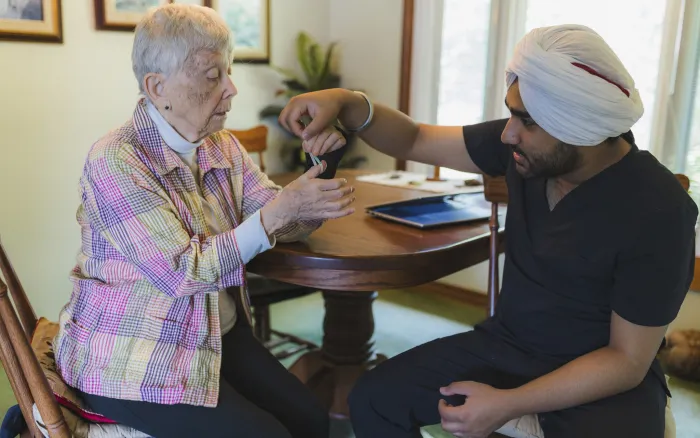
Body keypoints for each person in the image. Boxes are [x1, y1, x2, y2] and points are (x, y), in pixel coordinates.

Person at [279, 24, 698, 438]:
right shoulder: (526, 150)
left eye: (526, 120)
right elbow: (414, 138)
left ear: (578, 126)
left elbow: (626, 360)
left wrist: (509, 404)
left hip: (601, 379)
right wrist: (349, 104)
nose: (507, 132)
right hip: (508, 347)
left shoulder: (659, 209)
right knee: (374, 399)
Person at [53, 4, 355, 438]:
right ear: (158, 87)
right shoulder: (115, 160)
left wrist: (319, 172)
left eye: (228, 72)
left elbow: (279, 217)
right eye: (213, 76)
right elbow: (182, 272)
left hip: (214, 331)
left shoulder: (221, 145)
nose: (231, 89)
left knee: (309, 416)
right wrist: (279, 212)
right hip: (131, 354)